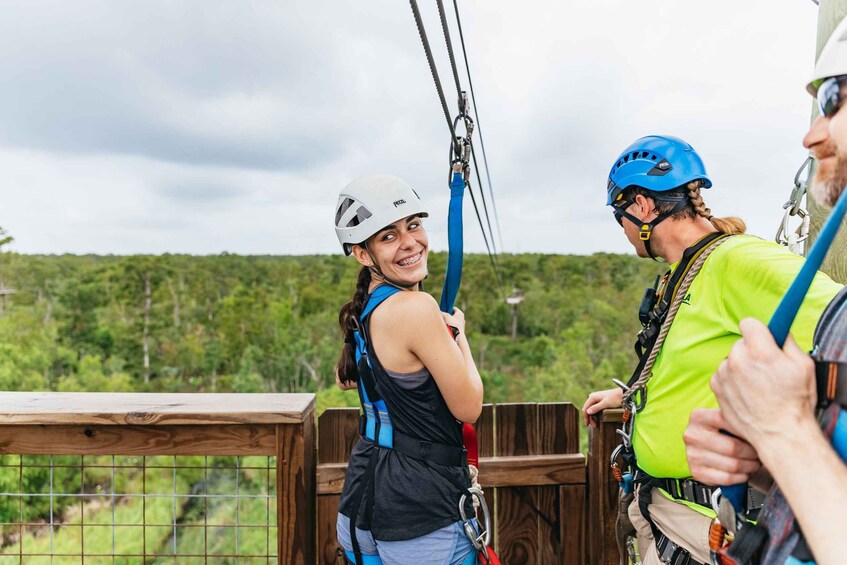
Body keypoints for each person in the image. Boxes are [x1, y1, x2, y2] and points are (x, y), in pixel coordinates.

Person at [581, 135, 841, 565]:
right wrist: (631, 397)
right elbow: (696, 358)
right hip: (669, 514)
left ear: (642, 208)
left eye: (619, 216)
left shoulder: (736, 261)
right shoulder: (682, 273)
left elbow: (837, 323)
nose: (623, 230)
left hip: (705, 522)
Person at [684, 16, 847, 564]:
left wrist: (782, 430)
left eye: (835, 98)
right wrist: (761, 456)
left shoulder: (737, 260)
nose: (811, 134)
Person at [332, 173, 484, 565]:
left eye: (413, 225)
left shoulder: (367, 307)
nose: (410, 242)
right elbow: (468, 407)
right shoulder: (416, 309)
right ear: (362, 254)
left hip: (361, 507)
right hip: (420, 518)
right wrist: (458, 334)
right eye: (388, 236)